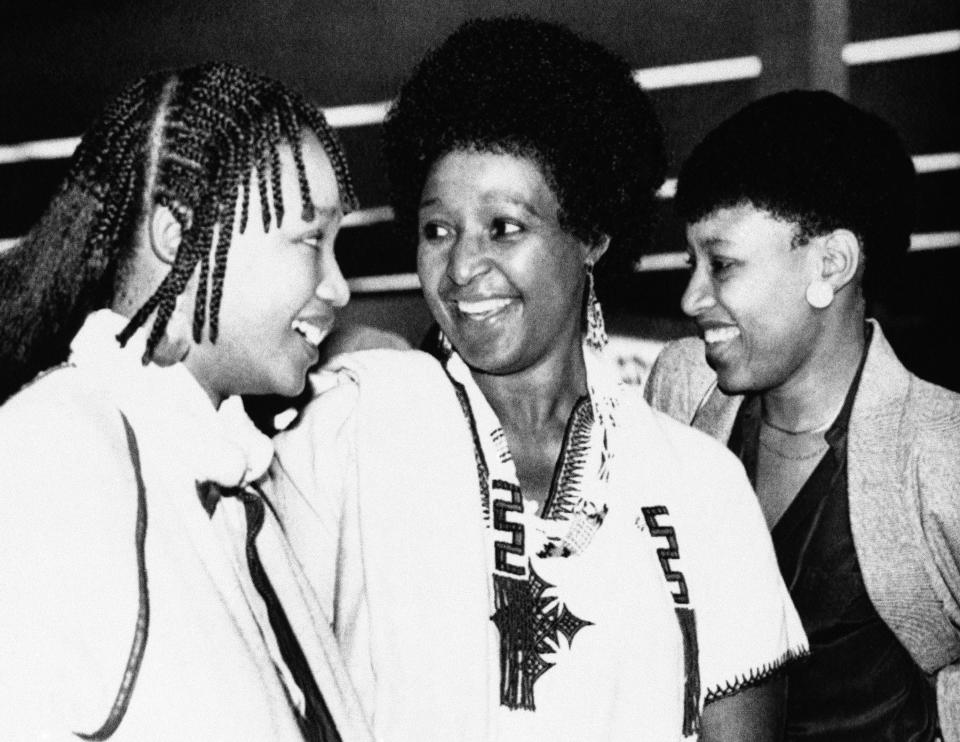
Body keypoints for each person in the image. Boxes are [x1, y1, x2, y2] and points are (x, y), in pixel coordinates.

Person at [271, 17, 807, 741]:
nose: (462, 267)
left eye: (504, 228)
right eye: (438, 229)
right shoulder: (348, 430)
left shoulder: (698, 486)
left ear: (590, 234)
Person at [0, 62, 372, 740]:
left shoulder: (232, 489)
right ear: (179, 235)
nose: (338, 287)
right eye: (311, 239)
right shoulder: (53, 456)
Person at [644, 90, 960, 740]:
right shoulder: (681, 391)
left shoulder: (940, 450)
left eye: (722, 264)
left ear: (830, 264)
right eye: (691, 262)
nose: (691, 295)